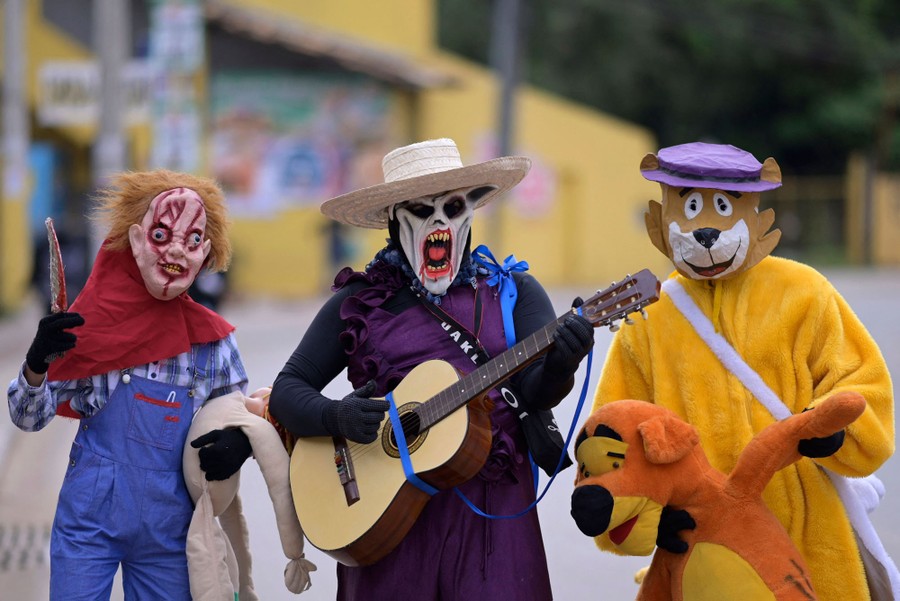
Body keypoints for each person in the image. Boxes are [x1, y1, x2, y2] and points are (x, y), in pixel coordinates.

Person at [268, 138, 595, 600]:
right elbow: (288, 388)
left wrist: (563, 362)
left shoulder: (515, 292)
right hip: (389, 521)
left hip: (492, 521)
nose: (439, 221)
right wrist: (336, 417)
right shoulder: (359, 303)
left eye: (454, 207)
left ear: (471, 212)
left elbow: (535, 391)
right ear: (394, 218)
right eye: (422, 210)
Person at [593, 141, 896, 601]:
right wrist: (652, 514)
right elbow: (616, 434)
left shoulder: (805, 293)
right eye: (690, 207)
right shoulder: (649, 321)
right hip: (702, 545)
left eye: (722, 206)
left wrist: (835, 430)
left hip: (808, 531)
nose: (706, 229)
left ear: (753, 212)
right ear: (663, 215)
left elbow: (863, 381)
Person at [7, 170, 255, 600]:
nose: (176, 249)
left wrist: (240, 443)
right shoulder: (92, 327)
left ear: (206, 252)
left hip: (170, 530)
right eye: (162, 234)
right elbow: (27, 419)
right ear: (138, 240)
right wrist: (35, 365)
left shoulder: (212, 343)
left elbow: (241, 415)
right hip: (88, 523)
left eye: (192, 240)